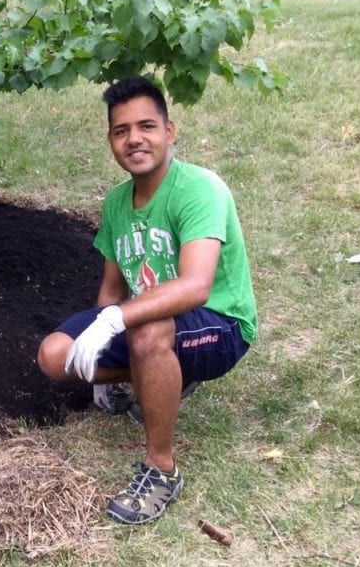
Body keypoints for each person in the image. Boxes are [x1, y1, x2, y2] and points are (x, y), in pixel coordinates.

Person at [37, 76, 257, 525]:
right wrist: (99, 350)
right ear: (111, 141)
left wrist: (115, 320)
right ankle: (158, 377)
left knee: (148, 327)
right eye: (121, 131)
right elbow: (114, 290)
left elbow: (195, 286)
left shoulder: (198, 188)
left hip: (221, 324)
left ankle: (161, 469)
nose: (134, 138)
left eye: (146, 126)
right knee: (54, 355)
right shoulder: (118, 202)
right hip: (149, 323)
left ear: (169, 131)